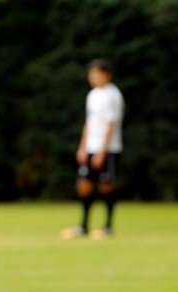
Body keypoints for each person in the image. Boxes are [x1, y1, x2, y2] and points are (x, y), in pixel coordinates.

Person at [61, 59, 124, 240]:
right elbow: (89, 123)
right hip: (91, 147)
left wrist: (102, 151)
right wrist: (83, 147)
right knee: (84, 185)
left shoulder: (113, 95)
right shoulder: (93, 95)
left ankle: (108, 227)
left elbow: (111, 124)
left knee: (106, 185)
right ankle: (83, 226)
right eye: (91, 74)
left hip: (108, 148)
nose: (92, 77)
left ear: (106, 75)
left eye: (96, 74)